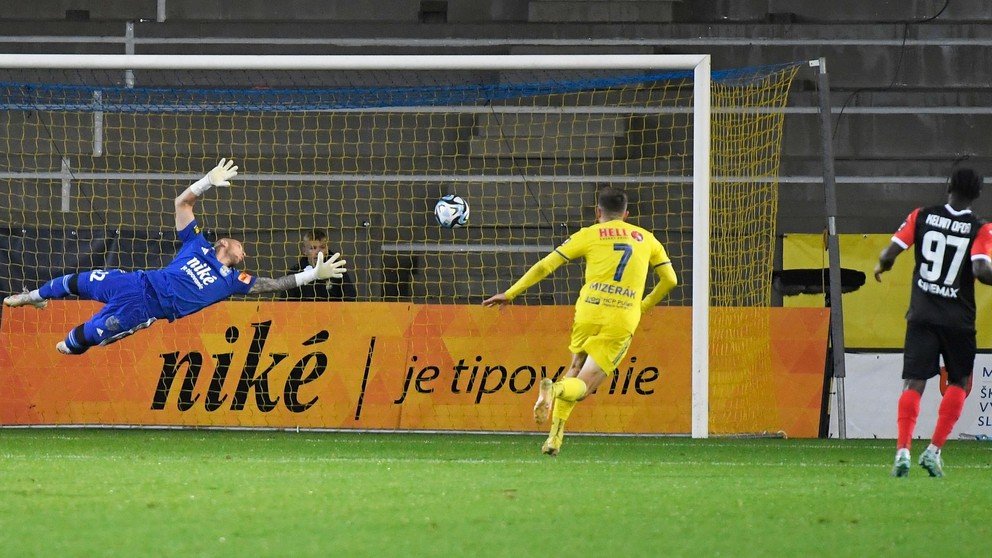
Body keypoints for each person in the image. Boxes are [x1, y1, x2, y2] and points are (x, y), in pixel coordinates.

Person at [3, 159, 347, 355]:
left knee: (76, 342)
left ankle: (85, 338)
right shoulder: (196, 244)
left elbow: (272, 285)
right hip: (135, 280)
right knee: (76, 281)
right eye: (240, 243)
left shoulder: (231, 282)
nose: (243, 247)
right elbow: (181, 204)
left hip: (145, 308)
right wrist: (206, 182)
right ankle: (32, 297)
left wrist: (310, 276)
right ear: (224, 244)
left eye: (243, 250)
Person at [482, 186, 677, 456]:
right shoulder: (648, 239)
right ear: (626, 214)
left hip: (589, 311)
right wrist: (642, 306)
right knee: (582, 388)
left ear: (598, 212)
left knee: (575, 366)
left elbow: (545, 265)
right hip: (621, 317)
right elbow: (671, 280)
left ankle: (555, 439)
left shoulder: (588, 235)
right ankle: (555, 389)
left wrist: (511, 293)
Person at [874, 167, 992, 477]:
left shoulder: (921, 216)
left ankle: (902, 451)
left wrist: (881, 266)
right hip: (959, 320)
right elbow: (981, 271)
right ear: (978, 194)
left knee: (914, 381)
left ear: (948, 186)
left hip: (922, 315)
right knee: (960, 382)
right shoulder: (980, 228)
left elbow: (890, 253)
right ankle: (933, 450)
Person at [282, 229, 357, 301]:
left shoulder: (337, 269)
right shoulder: (295, 272)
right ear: (304, 251)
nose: (318, 252)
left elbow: (350, 298)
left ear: (327, 249)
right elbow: (284, 303)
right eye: (313, 248)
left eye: (322, 247)